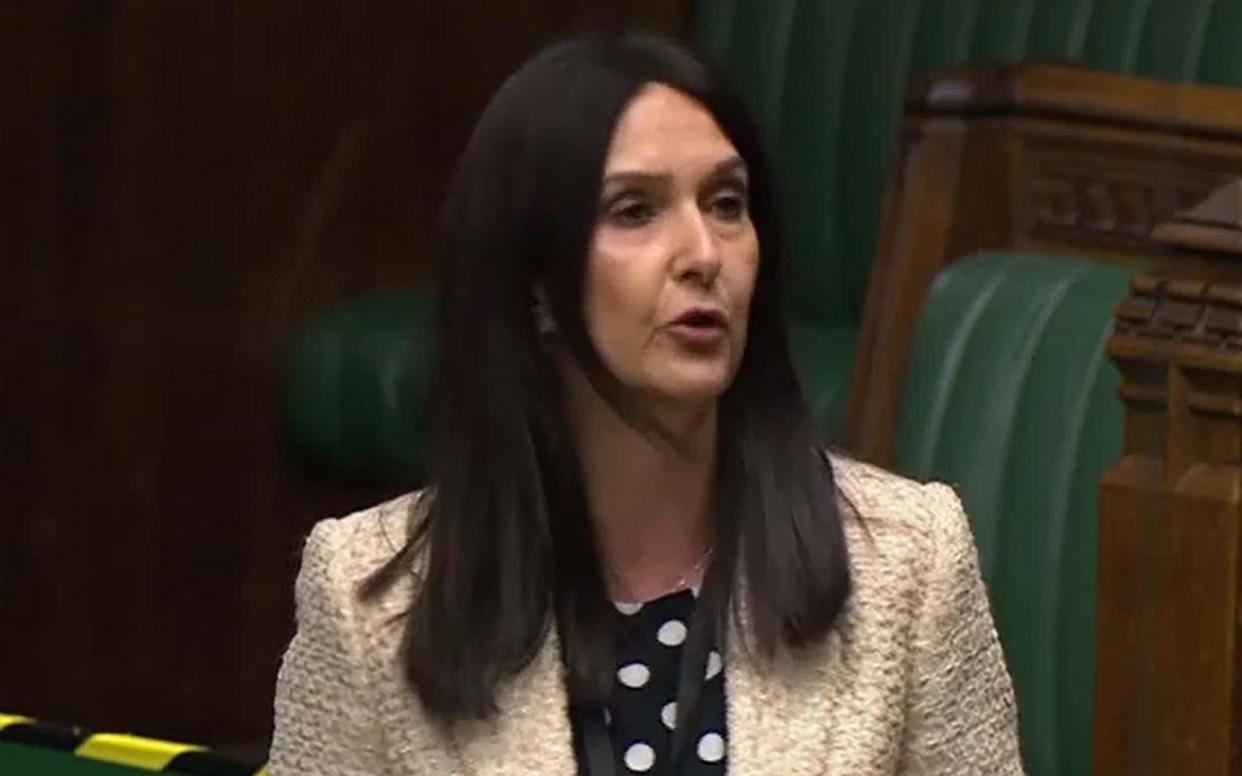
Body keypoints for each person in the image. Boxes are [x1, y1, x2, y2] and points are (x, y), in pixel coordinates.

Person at [269, 32, 1023, 776]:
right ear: (535, 283)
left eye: (727, 203)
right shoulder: (369, 599)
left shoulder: (908, 562)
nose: (703, 253)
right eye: (635, 211)